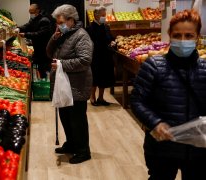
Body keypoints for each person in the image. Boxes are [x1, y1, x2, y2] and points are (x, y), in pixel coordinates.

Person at [130, 9, 206, 180]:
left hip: (197, 150)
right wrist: (155, 122)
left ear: (197, 38)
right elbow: (137, 100)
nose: (182, 40)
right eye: (177, 35)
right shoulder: (154, 66)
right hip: (162, 148)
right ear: (169, 36)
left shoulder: (204, 69)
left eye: (189, 36)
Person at [46, 4, 93, 164]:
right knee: (65, 116)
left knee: (77, 119)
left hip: (76, 86)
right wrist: (54, 37)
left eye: (61, 22)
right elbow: (49, 52)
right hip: (63, 86)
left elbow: (85, 60)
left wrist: (62, 64)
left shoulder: (81, 36)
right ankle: (71, 143)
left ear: (71, 20)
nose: (59, 25)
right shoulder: (63, 34)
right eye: (57, 23)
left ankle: (83, 151)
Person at [87, 6, 116, 106]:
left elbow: (111, 38)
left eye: (105, 15)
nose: (105, 17)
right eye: (103, 15)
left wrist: (112, 42)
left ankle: (101, 98)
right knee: (95, 78)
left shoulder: (106, 26)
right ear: (96, 15)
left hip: (105, 56)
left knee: (104, 78)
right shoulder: (90, 28)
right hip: (95, 57)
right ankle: (92, 97)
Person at [16, 4, 53, 78]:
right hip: (37, 47)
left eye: (32, 12)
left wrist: (26, 34)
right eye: (29, 12)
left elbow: (40, 34)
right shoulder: (34, 19)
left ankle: (45, 81)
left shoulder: (44, 20)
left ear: (37, 10)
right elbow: (27, 25)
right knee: (38, 66)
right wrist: (19, 28)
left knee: (44, 67)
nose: (31, 14)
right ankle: (40, 78)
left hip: (44, 48)